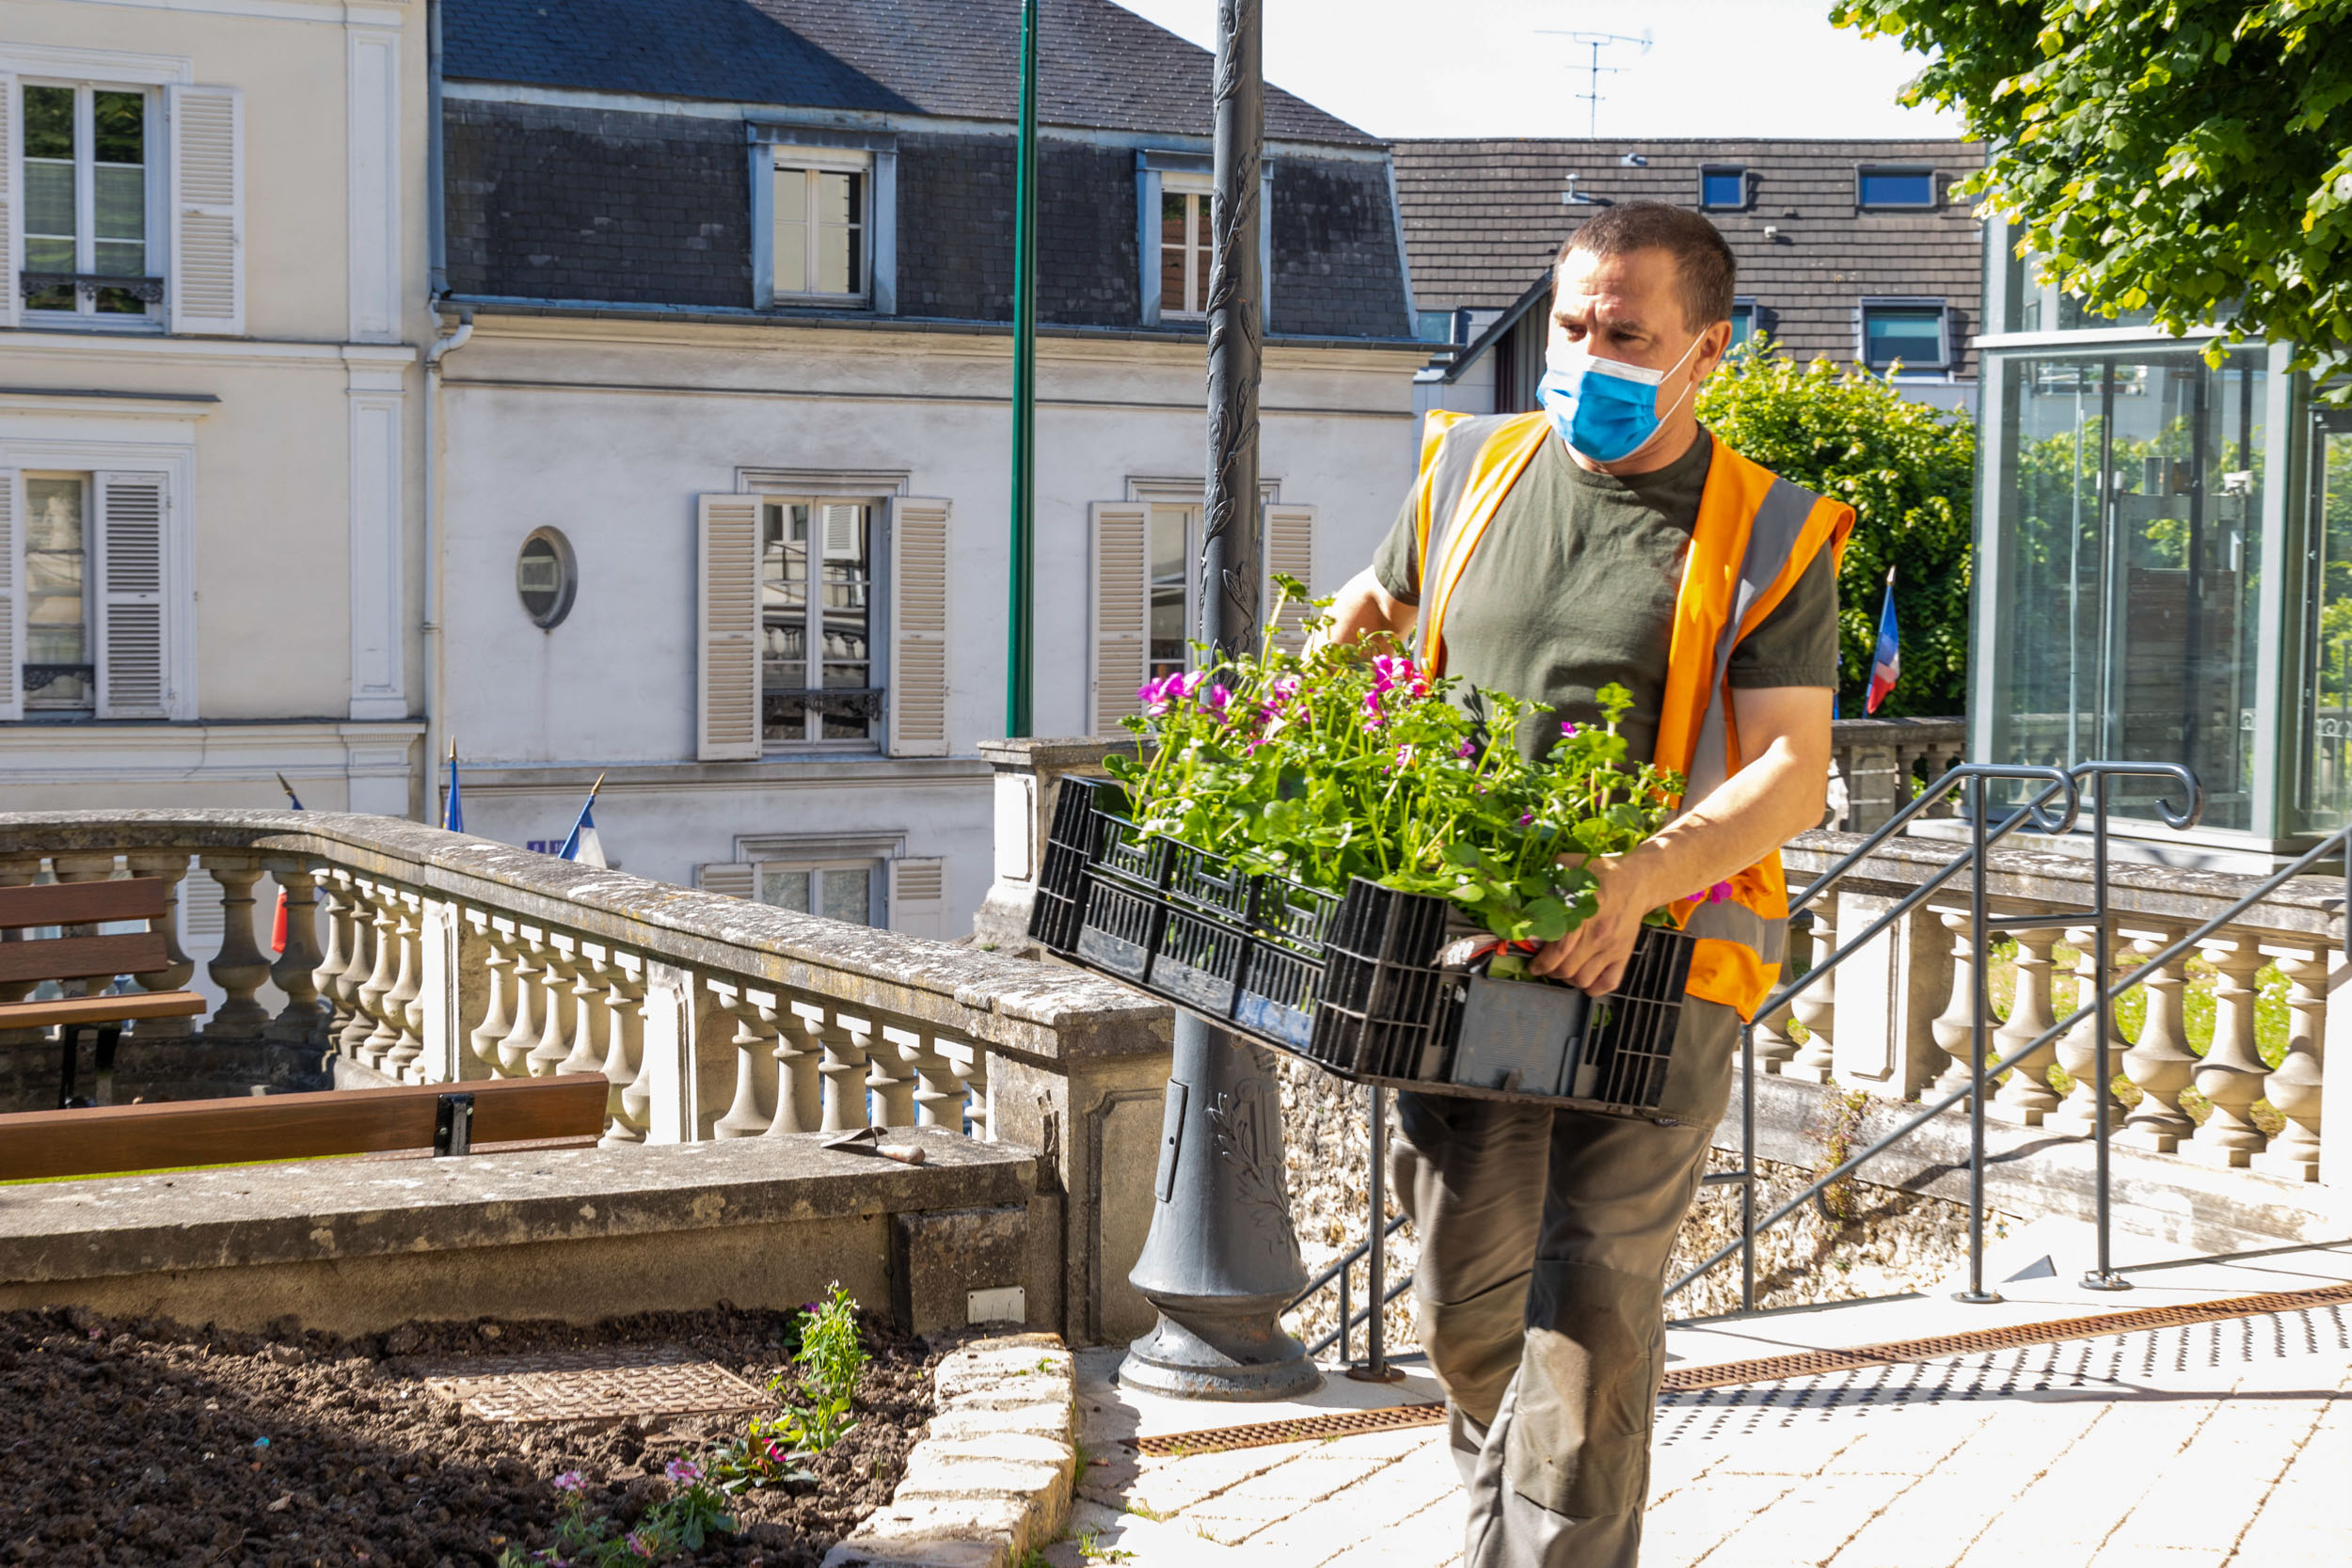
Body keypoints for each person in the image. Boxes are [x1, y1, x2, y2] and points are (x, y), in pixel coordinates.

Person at [1325, 200, 1850, 1567]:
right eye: (1571, 325)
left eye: (1626, 333)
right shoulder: (1469, 468)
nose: (1588, 352)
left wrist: (1636, 878)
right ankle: (1516, 1519)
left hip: (1658, 974)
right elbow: (1365, 623)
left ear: (1704, 351)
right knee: (1462, 1308)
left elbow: (1793, 770)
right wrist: (1279, 732)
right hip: (1471, 972)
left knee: (1593, 1327)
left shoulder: (1769, 533)